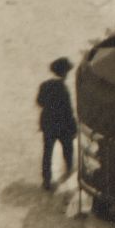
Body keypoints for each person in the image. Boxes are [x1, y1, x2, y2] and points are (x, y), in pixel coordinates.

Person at [37, 57, 77, 190]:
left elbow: (40, 102)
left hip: (48, 123)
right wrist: (73, 127)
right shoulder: (63, 88)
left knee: (47, 152)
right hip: (62, 125)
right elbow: (68, 110)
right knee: (68, 149)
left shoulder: (45, 85)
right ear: (64, 73)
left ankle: (46, 180)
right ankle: (69, 171)